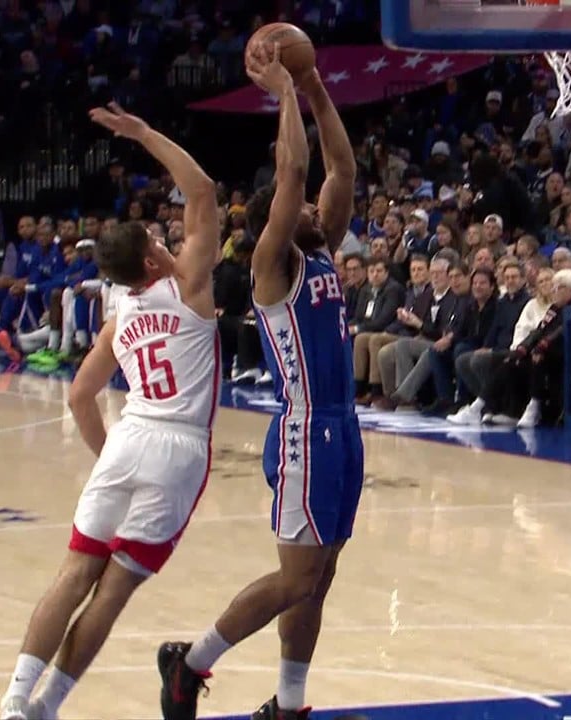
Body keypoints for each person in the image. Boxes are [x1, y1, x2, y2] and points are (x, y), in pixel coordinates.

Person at [0, 103, 224, 720]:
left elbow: (79, 396)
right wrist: (144, 133)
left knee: (74, 574)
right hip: (177, 447)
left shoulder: (119, 312)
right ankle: (48, 706)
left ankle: (14, 701)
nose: (165, 239)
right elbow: (202, 191)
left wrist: (108, 456)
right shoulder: (190, 287)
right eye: (156, 240)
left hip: (128, 436)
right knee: (112, 591)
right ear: (151, 261)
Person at [158, 42, 361, 720]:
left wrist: (315, 85)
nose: (317, 212)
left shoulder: (321, 248)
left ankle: (289, 704)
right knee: (297, 577)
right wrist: (284, 92)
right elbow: (297, 169)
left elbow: (340, 167)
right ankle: (190, 663)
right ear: (276, 220)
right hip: (304, 429)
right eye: (301, 209)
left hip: (343, 426)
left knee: (320, 578)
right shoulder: (275, 263)